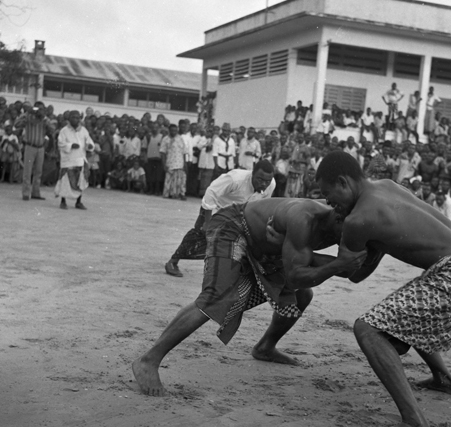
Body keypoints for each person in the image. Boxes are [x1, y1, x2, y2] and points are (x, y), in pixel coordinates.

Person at [315, 151, 451, 427]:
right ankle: (443, 379)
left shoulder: (359, 219)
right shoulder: (386, 184)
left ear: (343, 181)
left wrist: (307, 258)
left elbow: (354, 274)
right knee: (407, 309)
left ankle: (416, 425)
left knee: (368, 329)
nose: (328, 203)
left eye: (328, 194)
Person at [133, 197, 367, 396]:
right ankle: (149, 360)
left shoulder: (344, 223)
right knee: (215, 298)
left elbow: (347, 271)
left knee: (301, 295)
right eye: (348, 234)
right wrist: (336, 263)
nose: (347, 242)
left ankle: (265, 347)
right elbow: (301, 272)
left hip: (265, 248)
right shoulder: (305, 217)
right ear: (338, 218)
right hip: (234, 226)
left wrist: (329, 261)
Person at [165, 160, 276, 277]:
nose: (264, 184)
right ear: (252, 173)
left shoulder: (271, 184)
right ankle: (172, 262)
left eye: (267, 181)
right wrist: (207, 222)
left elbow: (261, 205)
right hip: (215, 208)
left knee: (234, 243)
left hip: (238, 213)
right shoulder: (235, 178)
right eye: (260, 179)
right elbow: (211, 193)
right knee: (200, 235)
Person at [55, 110, 94, 210]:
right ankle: (63, 201)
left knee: (80, 181)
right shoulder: (64, 130)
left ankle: (78, 202)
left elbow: (89, 141)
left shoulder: (84, 130)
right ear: (69, 118)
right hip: (68, 160)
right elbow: (60, 144)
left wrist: (90, 146)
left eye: (77, 118)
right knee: (65, 181)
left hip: (80, 159)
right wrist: (71, 145)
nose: (76, 119)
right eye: (73, 117)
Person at [18, 101, 53, 201]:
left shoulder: (45, 119)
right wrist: (27, 113)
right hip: (30, 147)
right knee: (27, 171)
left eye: (41, 109)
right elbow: (17, 124)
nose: (38, 111)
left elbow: (52, 129)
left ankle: (35, 193)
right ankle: (26, 193)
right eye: (37, 108)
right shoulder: (28, 116)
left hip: (41, 148)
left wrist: (44, 117)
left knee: (38, 171)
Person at [160, 124, 187, 200]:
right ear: (169, 130)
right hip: (170, 163)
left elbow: (184, 151)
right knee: (169, 179)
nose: (173, 132)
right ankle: (168, 194)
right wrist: (164, 164)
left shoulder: (180, 139)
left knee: (180, 180)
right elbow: (162, 152)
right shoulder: (165, 139)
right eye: (172, 130)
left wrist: (185, 163)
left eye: (175, 130)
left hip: (179, 163)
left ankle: (180, 194)